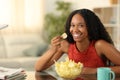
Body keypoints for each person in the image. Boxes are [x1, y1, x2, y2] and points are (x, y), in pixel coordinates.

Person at [35, 9, 120, 76]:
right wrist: (53, 49)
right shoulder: (66, 45)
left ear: (90, 28)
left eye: (81, 26)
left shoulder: (100, 45)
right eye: (72, 25)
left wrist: (93, 71)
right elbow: (38, 68)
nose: (75, 30)